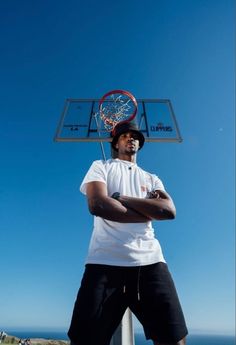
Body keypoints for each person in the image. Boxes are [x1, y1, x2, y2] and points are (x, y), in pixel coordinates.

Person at [68, 121, 188, 345]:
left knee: (174, 338)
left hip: (150, 263)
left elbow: (168, 210)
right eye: (125, 135)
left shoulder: (152, 178)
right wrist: (147, 211)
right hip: (104, 262)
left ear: (140, 143)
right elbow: (97, 205)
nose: (131, 138)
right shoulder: (101, 166)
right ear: (116, 142)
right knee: (84, 339)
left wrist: (121, 198)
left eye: (135, 136)